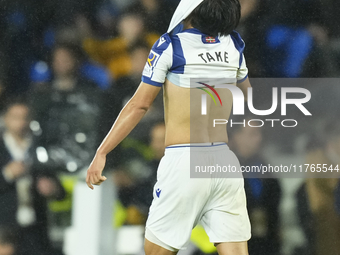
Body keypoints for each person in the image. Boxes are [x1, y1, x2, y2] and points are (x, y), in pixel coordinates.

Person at [86, 0, 251, 254]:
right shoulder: (234, 45)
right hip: (225, 161)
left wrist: (102, 151)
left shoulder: (171, 45)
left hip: (185, 159)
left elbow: (138, 106)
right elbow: (246, 99)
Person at [0, 100, 66, 255]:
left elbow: (60, 191)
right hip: (4, 230)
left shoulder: (40, 148)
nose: (21, 123)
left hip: (36, 232)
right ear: (5, 119)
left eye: (25, 117)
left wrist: (52, 188)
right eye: (16, 117)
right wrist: (7, 175)